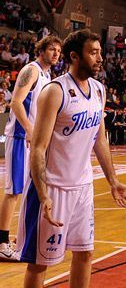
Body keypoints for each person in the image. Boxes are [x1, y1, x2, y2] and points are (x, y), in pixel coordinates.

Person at [16, 29, 126, 286]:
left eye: (100, 52)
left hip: (82, 187)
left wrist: (113, 180)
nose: (100, 58)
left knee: (85, 253)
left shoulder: (99, 90)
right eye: (93, 53)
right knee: (40, 263)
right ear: (74, 56)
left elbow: (99, 139)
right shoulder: (54, 91)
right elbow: (38, 147)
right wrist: (43, 192)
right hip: (52, 189)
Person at [0, 36, 62, 261]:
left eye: (58, 50)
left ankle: (13, 236)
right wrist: (29, 130)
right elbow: (15, 102)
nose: (56, 53)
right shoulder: (32, 70)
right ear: (41, 50)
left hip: (32, 140)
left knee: (27, 189)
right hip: (19, 136)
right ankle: (1, 241)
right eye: (52, 49)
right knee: (14, 190)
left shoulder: (47, 75)